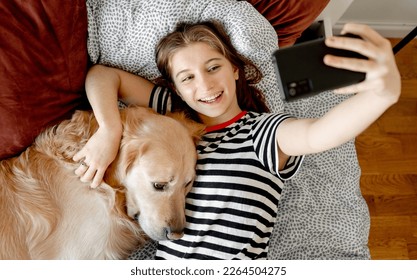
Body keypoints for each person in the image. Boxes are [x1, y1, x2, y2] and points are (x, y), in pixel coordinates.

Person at [74, 21, 400, 259]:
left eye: (213, 67)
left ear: (234, 71)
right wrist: (109, 129)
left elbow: (318, 135)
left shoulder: (262, 132)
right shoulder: (173, 118)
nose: (204, 85)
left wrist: (381, 95)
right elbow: (103, 76)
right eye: (187, 78)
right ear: (176, 88)